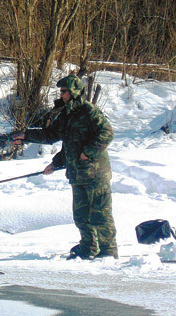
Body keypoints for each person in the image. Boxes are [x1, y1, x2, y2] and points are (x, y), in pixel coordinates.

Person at [12, 74, 118, 260]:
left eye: (64, 91)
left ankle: (108, 252)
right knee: (81, 216)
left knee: (100, 215)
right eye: (60, 92)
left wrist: (88, 152)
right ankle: (88, 248)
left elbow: (107, 133)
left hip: (95, 174)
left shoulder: (89, 112)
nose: (61, 95)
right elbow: (53, 135)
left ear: (74, 92)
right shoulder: (66, 115)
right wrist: (26, 137)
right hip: (77, 175)